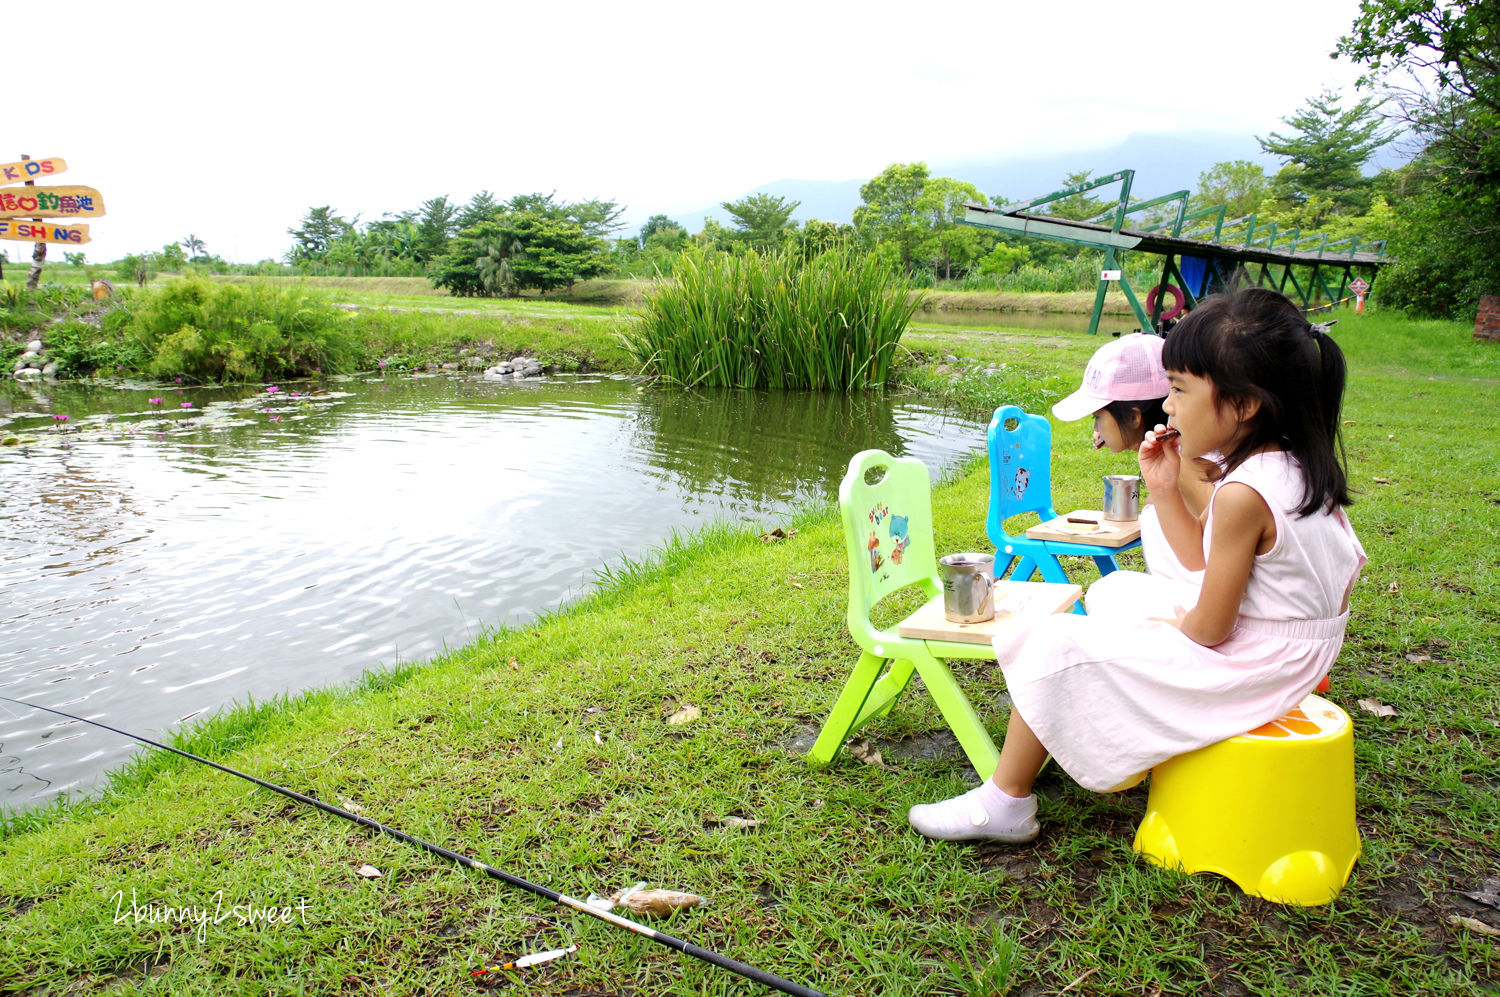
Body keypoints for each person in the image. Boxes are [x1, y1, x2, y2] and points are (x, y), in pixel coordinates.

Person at [908, 287, 1366, 843]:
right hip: (1287, 648)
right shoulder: (1290, 463)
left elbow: (1209, 628)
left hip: (1255, 663)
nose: (1167, 405)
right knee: (1117, 590)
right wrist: (1166, 490)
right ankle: (1102, 721)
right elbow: (1206, 563)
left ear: (1245, 405)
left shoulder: (1246, 490)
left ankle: (1005, 801)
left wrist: (1170, 625)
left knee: (1054, 641)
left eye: (1178, 390)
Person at [1051, 333, 1209, 585]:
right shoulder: (1176, 453)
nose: (1096, 427)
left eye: (1098, 416)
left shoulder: (1186, 465)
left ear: (1135, 417)